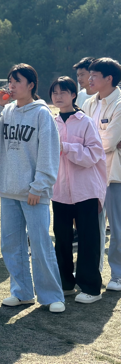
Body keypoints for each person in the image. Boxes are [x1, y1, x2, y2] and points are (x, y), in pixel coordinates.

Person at [0, 63, 65, 313]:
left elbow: (49, 153)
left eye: (17, 81)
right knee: (11, 245)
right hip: (8, 190)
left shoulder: (42, 114)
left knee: (40, 244)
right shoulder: (6, 110)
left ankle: (51, 296)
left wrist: (38, 186)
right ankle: (21, 292)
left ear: (31, 85)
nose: (12, 86)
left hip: (33, 192)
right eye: (10, 81)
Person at [49, 76, 107, 304]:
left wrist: (65, 147)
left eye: (63, 92)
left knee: (88, 240)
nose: (58, 96)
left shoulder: (86, 122)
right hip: (60, 190)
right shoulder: (51, 122)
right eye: (54, 92)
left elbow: (93, 154)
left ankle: (91, 288)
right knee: (62, 239)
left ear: (73, 95)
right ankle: (65, 283)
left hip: (85, 191)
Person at [82, 57, 121, 292]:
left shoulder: (119, 103)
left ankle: (118, 274)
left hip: (115, 175)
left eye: (94, 75)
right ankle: (92, 272)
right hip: (90, 174)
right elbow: (81, 135)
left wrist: (89, 145)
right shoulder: (89, 103)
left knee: (117, 228)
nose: (89, 79)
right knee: (92, 228)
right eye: (90, 75)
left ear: (109, 78)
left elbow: (110, 141)